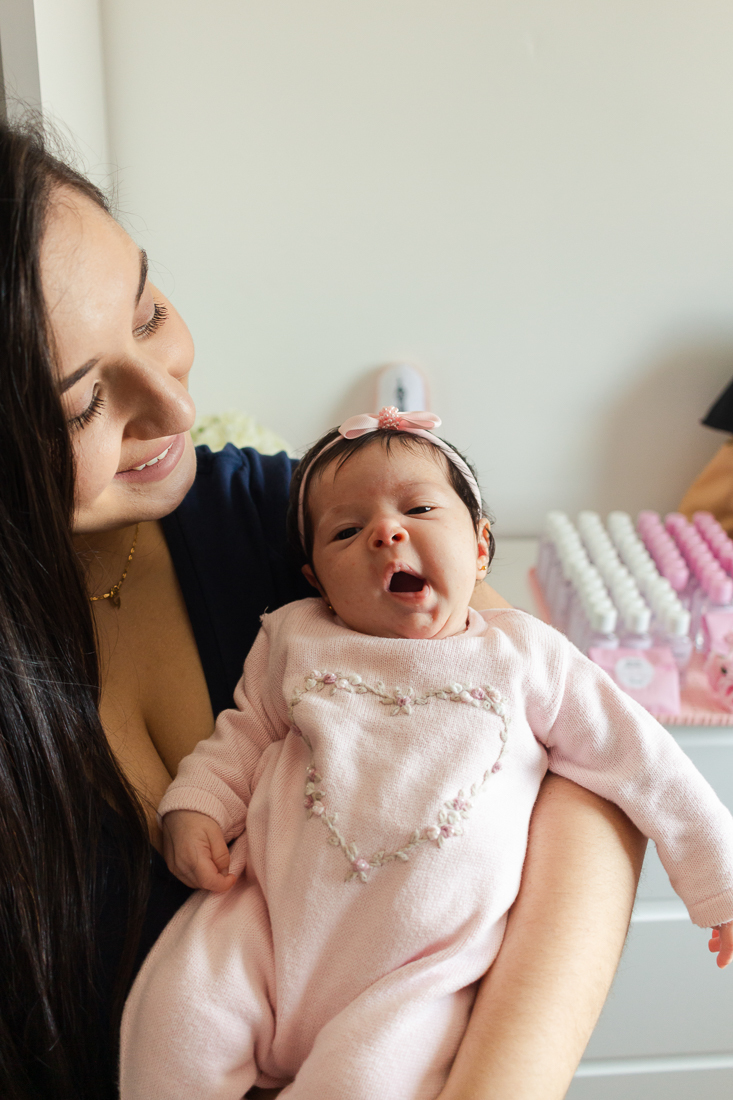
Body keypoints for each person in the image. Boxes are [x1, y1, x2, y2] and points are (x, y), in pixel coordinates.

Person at [0, 114, 647, 1100]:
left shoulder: (291, 520)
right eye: (85, 402)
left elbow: (582, 760)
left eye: (146, 312)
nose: (173, 405)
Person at [120, 409, 733, 1100]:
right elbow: (240, 733)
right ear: (315, 579)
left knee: (365, 1082)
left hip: (414, 974)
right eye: (346, 532)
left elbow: (644, 764)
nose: (386, 532)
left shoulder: (525, 656)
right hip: (261, 929)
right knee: (178, 1022)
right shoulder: (294, 637)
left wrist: (716, 879)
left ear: (479, 547)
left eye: (417, 508)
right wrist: (196, 805)